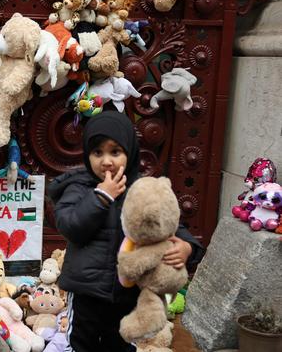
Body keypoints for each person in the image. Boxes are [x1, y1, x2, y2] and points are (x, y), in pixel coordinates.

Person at [47, 111, 204, 352]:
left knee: (120, 343)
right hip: (86, 290)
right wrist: (101, 197)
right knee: (82, 343)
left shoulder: (143, 189)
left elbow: (170, 222)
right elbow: (71, 226)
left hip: (127, 290)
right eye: (97, 152)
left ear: (129, 153)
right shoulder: (79, 187)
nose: (106, 161)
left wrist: (187, 247)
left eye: (115, 152)